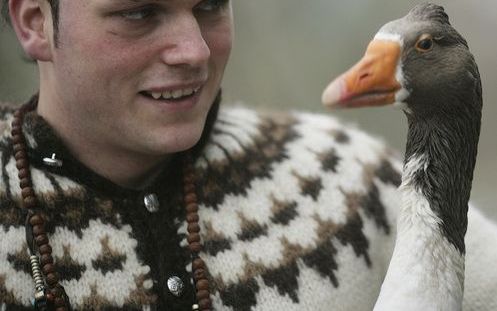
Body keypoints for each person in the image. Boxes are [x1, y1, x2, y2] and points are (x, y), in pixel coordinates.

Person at [1, 1, 496, 310]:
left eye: (210, 5)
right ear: (35, 23)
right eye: (140, 13)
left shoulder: (351, 179)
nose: (194, 51)